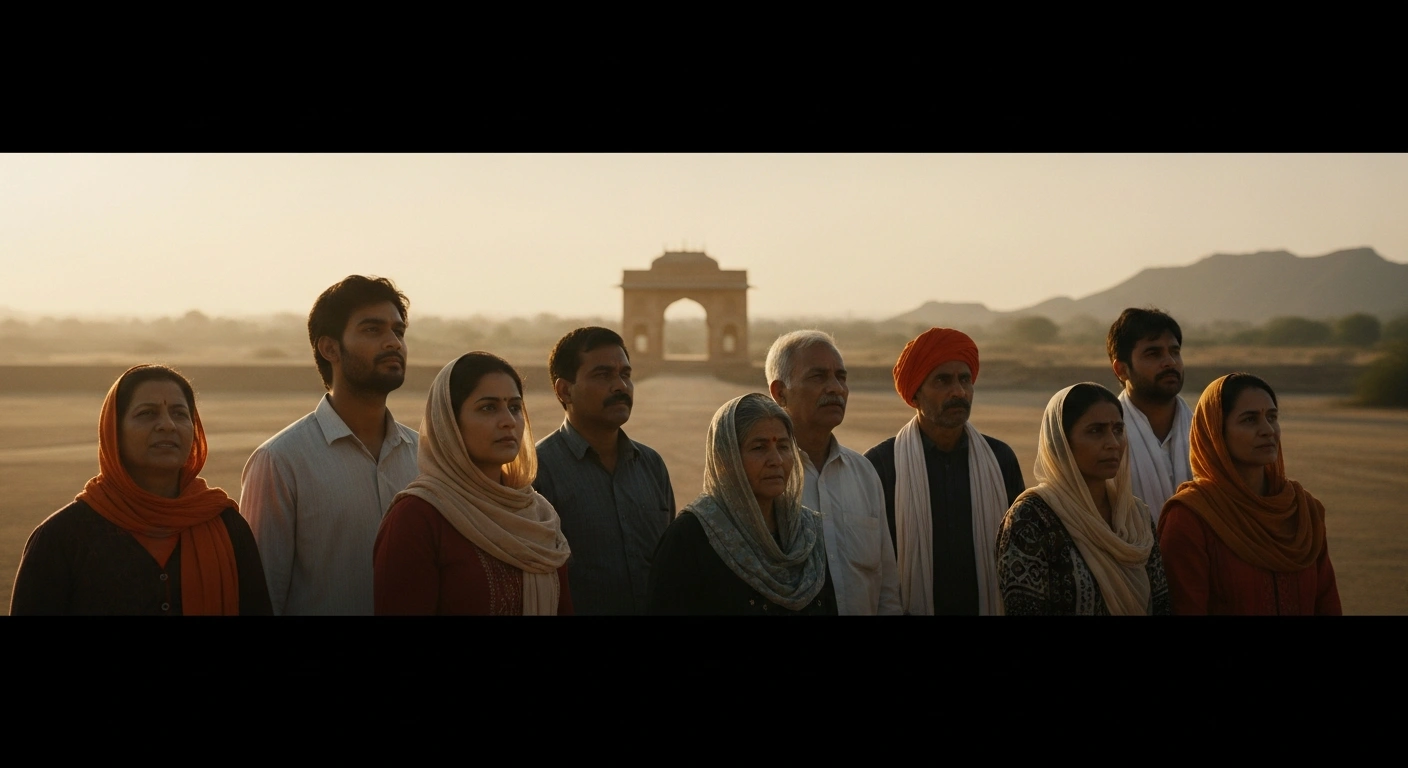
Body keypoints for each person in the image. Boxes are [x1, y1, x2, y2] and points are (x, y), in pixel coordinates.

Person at [10, 365, 272, 615]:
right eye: (147, 413)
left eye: (180, 414)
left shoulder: (226, 526)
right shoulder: (62, 537)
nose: (167, 425)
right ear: (114, 431)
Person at [240, 275, 419, 615]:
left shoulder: (425, 456)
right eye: (372, 330)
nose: (393, 343)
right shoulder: (280, 461)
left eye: (398, 331)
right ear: (330, 348)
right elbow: (260, 596)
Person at [374, 353, 572, 615]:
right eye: (488, 408)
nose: (509, 421)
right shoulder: (418, 518)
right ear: (449, 422)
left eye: (515, 407)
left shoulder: (537, 515)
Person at [865, 328, 1025, 615]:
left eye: (964, 379)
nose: (959, 392)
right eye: (943, 380)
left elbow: (1021, 551)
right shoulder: (881, 465)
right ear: (915, 394)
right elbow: (869, 565)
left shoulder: (1000, 459)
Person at [1158, 373, 1341, 615]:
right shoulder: (1191, 517)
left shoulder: (1302, 509)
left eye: (1272, 417)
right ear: (1216, 432)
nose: (1268, 430)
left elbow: (1327, 603)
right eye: (1249, 420)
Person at [647, 393, 836, 615]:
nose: (776, 460)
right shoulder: (689, 538)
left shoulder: (807, 535)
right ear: (727, 459)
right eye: (759, 448)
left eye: (784, 446)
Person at [996, 383, 1170, 615]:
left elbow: (1161, 605)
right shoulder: (1031, 518)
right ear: (1061, 442)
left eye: (1118, 430)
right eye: (1095, 431)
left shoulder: (1135, 516)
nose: (1113, 443)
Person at [534, 327, 674, 615]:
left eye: (625, 374)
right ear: (564, 390)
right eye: (603, 375)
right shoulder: (538, 470)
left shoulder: (651, 465)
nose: (620, 386)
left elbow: (668, 566)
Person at [765, 330, 900, 615]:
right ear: (780, 393)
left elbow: (886, 587)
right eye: (818, 377)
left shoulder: (863, 473)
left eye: (841, 377)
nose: (836, 388)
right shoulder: (764, 476)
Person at [1107, 308, 1192, 522]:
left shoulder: (1207, 431)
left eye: (1174, 352)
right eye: (1153, 354)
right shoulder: (1106, 441)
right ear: (1121, 369)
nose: (1170, 362)